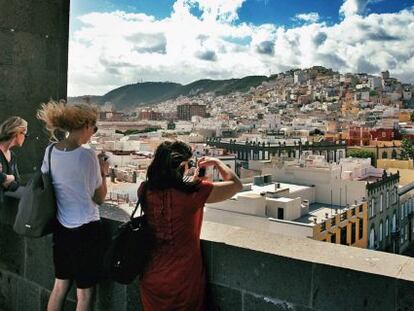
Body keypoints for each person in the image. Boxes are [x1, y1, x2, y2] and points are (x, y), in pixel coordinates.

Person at [139, 140, 243, 311]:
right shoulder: (194, 193)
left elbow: (169, 190)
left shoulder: (144, 189)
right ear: (182, 166)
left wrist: (187, 176)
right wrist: (217, 162)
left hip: (151, 276)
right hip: (183, 279)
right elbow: (235, 184)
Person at [37, 101, 109, 311]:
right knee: (84, 294)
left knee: (59, 286)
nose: (93, 134)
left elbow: (47, 180)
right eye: (94, 128)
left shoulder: (50, 151)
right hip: (86, 231)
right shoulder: (87, 156)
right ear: (86, 125)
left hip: (61, 228)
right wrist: (103, 173)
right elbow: (99, 198)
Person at [0, 116, 28, 224]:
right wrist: (6, 178)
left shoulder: (13, 156)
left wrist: (7, 180)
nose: (25, 138)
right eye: (25, 135)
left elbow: (17, 182)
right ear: (18, 133)